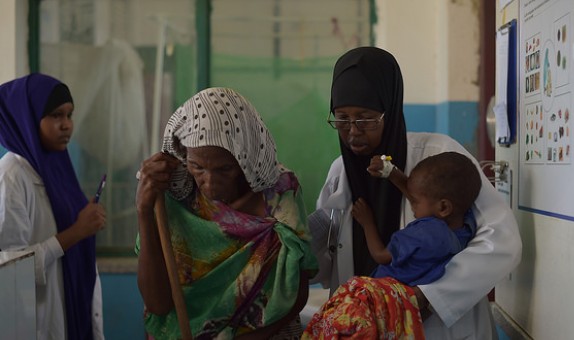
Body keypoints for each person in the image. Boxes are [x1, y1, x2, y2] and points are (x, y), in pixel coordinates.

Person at [309, 46, 522, 339]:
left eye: (366, 118)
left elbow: (501, 240)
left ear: (391, 111)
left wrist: (428, 297)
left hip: (441, 328)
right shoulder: (339, 173)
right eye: (342, 119)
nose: (353, 131)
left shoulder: (438, 157)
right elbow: (325, 261)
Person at [135, 87, 318, 339]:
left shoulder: (278, 193)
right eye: (197, 167)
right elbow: (158, 305)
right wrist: (144, 212)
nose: (208, 183)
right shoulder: (171, 193)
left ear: (247, 158)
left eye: (225, 169)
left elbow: (296, 294)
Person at [303, 152, 482, 338]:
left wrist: (367, 222)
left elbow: (381, 255)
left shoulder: (425, 232)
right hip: (406, 311)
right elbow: (427, 198)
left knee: (334, 322)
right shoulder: (464, 227)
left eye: (415, 202)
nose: (411, 206)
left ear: (444, 208)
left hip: (382, 299)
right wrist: (393, 174)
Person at [0, 73, 106, 340]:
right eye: (56, 115)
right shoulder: (12, 176)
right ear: (28, 117)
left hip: (71, 313)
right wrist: (77, 232)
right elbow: (10, 270)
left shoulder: (56, 168)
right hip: (35, 324)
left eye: (69, 115)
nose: (67, 125)